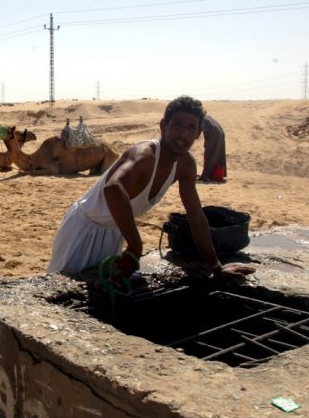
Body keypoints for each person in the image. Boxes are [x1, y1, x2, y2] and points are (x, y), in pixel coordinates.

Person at [47, 95, 254, 280]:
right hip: (83, 229)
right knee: (62, 289)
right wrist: (136, 245)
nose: (183, 134)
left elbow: (196, 216)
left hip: (115, 232)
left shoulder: (185, 165)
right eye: (178, 125)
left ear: (199, 132)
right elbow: (112, 189)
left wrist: (215, 266)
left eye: (191, 127)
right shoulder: (145, 154)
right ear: (163, 126)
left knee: (105, 286)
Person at [199, 114, 227, 182]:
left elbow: (201, 129)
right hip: (220, 133)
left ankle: (205, 176)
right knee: (218, 155)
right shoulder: (206, 116)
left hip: (214, 134)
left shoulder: (198, 116)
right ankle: (215, 175)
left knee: (209, 155)